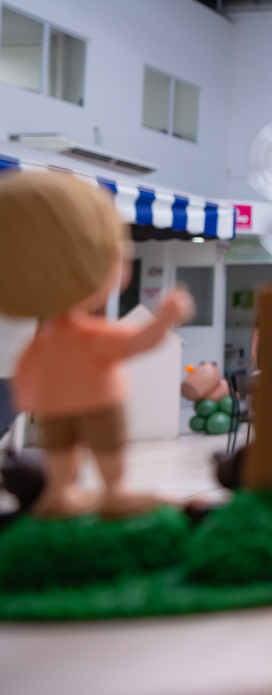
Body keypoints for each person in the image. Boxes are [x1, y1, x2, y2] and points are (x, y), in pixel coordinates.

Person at [0, 172, 194, 518]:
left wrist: (27, 398)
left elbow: (25, 370)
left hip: (58, 408)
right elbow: (139, 341)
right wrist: (164, 319)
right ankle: (90, 491)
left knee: (67, 448)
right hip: (92, 406)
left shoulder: (53, 338)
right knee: (82, 448)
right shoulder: (85, 335)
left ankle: (78, 490)